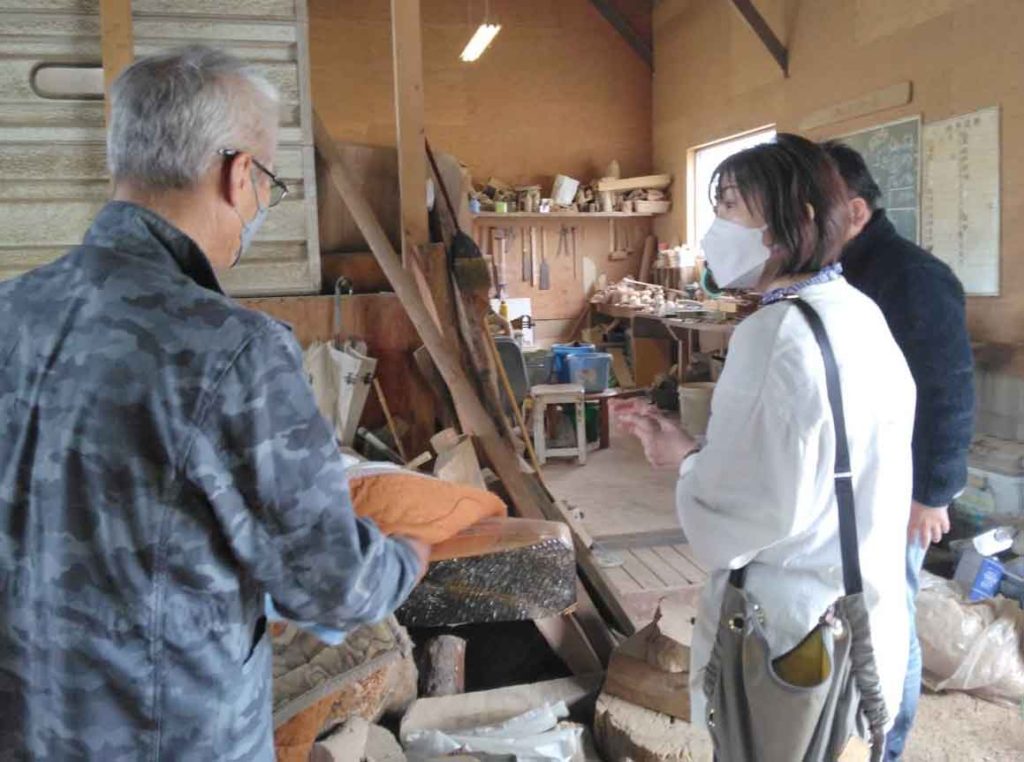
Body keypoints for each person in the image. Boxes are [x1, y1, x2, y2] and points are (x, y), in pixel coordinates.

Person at [0, 47, 428, 760]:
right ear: (238, 175)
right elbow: (333, 586)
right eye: (269, 185)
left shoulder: (12, 309)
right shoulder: (234, 349)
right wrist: (407, 557)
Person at [616, 134, 915, 739]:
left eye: (729, 206)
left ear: (794, 218)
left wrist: (686, 460)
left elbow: (737, 517)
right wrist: (697, 449)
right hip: (859, 613)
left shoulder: (776, 332)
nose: (715, 229)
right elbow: (806, 465)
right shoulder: (855, 310)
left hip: (789, 631)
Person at [823, 141, 975, 760]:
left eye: (808, 209)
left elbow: (949, 389)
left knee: (889, 622)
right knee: (858, 613)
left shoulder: (911, 276)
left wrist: (932, 494)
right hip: (859, 477)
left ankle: (888, 747)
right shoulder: (843, 270)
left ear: (856, 213)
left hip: (901, 487)